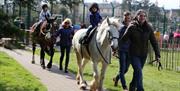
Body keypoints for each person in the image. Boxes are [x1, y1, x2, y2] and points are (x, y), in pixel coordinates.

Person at [119, 9, 161, 91]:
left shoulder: (148, 28)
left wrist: (157, 54)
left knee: (137, 73)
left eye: (144, 16)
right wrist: (117, 48)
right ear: (137, 16)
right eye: (141, 15)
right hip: (133, 54)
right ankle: (140, 89)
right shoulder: (132, 27)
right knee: (139, 71)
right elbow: (123, 39)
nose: (142, 17)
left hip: (143, 55)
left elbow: (154, 42)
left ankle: (132, 87)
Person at [113, 11, 131, 91]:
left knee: (126, 69)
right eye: (125, 17)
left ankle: (116, 78)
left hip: (130, 51)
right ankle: (124, 87)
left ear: (130, 18)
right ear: (123, 17)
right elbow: (117, 40)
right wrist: (115, 50)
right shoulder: (120, 27)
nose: (127, 19)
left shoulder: (132, 27)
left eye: (128, 18)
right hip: (122, 50)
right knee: (122, 68)